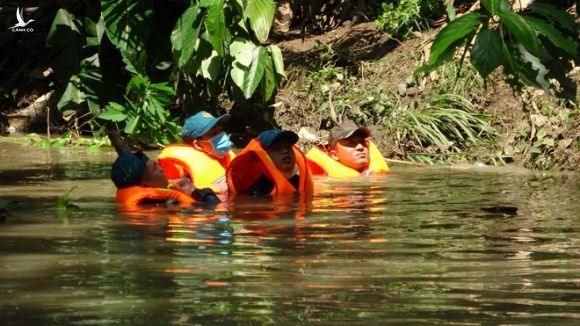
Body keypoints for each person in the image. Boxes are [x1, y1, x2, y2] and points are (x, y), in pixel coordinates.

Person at [157, 111, 235, 193]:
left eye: (220, 130)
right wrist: (214, 189)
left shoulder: (227, 156)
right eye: (213, 133)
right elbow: (171, 189)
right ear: (197, 144)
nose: (221, 135)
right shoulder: (179, 164)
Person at [111, 151, 219, 207]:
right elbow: (214, 211)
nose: (161, 169)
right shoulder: (164, 203)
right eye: (155, 168)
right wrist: (197, 193)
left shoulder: (142, 198)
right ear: (145, 185)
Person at [226, 129, 314, 196]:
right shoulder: (259, 190)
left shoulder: (297, 181)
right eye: (275, 148)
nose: (285, 151)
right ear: (263, 156)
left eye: (288, 147)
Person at [306, 119, 389, 177]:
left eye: (362, 142)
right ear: (334, 155)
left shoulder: (377, 174)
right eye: (351, 143)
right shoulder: (321, 178)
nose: (360, 147)